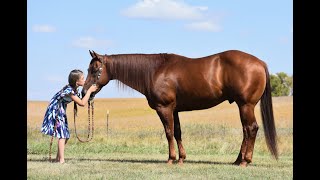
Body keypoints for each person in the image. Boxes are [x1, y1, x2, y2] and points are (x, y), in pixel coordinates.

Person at [41, 69, 98, 164]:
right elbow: (82, 103)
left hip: (60, 110)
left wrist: (89, 94)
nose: (85, 80)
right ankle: (61, 160)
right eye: (83, 78)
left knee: (65, 136)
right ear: (77, 82)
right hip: (56, 111)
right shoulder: (69, 91)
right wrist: (89, 91)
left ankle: (58, 158)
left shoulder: (73, 89)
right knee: (62, 136)